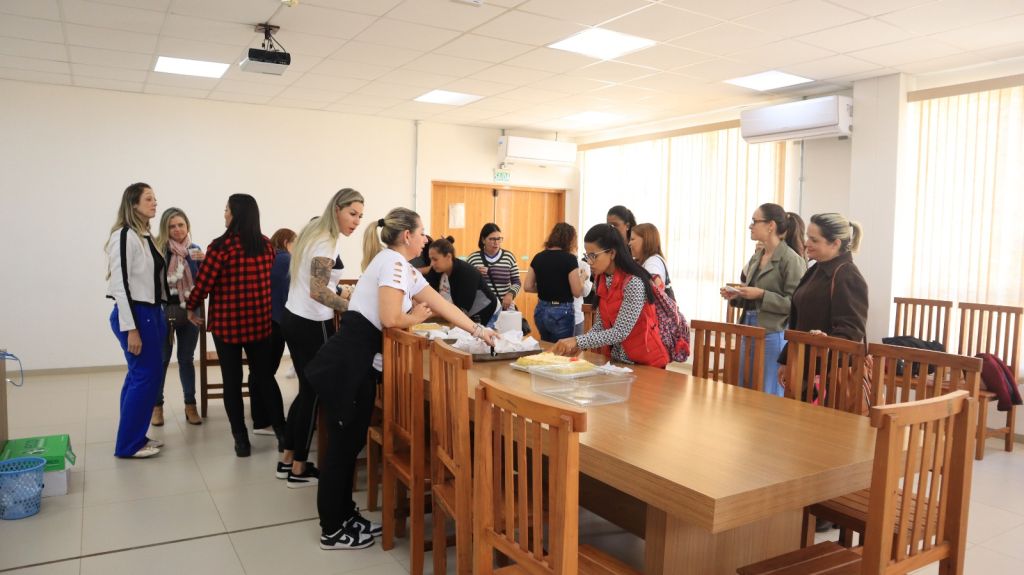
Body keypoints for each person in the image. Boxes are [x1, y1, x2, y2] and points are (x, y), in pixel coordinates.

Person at [305, 207, 497, 550]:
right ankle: (332, 529)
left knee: (349, 445)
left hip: (357, 365)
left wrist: (479, 330)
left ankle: (346, 516)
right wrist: (415, 317)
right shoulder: (393, 263)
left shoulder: (400, 266)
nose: (426, 239)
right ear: (407, 235)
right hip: (348, 366)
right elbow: (391, 317)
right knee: (342, 448)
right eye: (422, 233)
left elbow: (440, 304)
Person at [277, 189, 364, 488]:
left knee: (306, 390)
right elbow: (318, 291)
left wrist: (339, 294)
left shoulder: (313, 231)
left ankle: (288, 458)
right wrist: (352, 307)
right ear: (337, 209)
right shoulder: (326, 239)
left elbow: (314, 284)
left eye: (360, 216)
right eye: (352, 213)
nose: (356, 221)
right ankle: (299, 468)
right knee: (313, 393)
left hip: (294, 317)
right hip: (312, 323)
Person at [186, 194, 284, 458]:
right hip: (260, 323)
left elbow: (203, 285)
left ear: (236, 214)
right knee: (265, 378)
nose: (225, 214)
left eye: (227, 210)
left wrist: (190, 306)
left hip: (228, 325)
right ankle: (283, 435)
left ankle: (241, 441)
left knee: (232, 382)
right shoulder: (266, 245)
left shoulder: (220, 247)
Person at [105, 182, 168, 458]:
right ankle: (128, 445)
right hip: (137, 315)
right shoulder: (124, 235)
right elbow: (120, 285)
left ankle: (134, 436)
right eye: (148, 199)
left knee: (139, 376)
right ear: (133, 204)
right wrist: (131, 329)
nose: (155, 203)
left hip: (151, 313)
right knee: (145, 377)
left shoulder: (144, 236)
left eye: (155, 198)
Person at [551, 223, 670, 368]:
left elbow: (620, 332)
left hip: (645, 362)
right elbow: (600, 325)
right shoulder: (602, 279)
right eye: (587, 256)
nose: (589, 262)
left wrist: (577, 341)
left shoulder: (634, 282)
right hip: (620, 360)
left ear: (612, 253)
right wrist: (580, 344)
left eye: (593, 256)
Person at [719, 204, 807, 396]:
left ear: (771, 226)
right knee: (744, 389)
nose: (750, 226)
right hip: (748, 328)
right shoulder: (757, 257)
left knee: (767, 392)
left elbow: (795, 304)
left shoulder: (791, 259)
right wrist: (737, 295)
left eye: (755, 221)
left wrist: (761, 295)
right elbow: (752, 294)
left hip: (773, 332)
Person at [153, 207, 204, 426]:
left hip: (191, 311)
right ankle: (157, 407)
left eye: (181, 225)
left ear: (187, 226)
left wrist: (205, 262)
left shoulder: (195, 250)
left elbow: (204, 282)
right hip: (163, 311)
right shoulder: (158, 250)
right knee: (162, 360)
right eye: (172, 226)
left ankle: (190, 405)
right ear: (165, 228)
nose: (177, 229)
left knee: (186, 359)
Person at [251, 228, 295, 437]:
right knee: (265, 373)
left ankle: (259, 418)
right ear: (286, 242)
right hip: (275, 322)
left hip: (261, 320)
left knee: (258, 371)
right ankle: (263, 421)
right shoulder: (286, 259)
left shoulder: (270, 258)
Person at [523, 223, 583, 342]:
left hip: (541, 310)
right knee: (562, 349)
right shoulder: (570, 259)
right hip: (562, 311)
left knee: (547, 347)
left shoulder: (538, 257)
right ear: (570, 240)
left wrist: (546, 287)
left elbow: (528, 286)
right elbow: (577, 292)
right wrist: (583, 277)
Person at [424, 236, 498, 325]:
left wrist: (430, 314)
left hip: (485, 311)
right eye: (430, 259)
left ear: (448, 257)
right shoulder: (436, 269)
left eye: (435, 259)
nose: (432, 263)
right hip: (460, 313)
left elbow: (461, 311)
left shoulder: (466, 273)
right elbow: (425, 290)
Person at [465, 223, 521, 313]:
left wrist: (510, 294)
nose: (496, 242)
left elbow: (517, 282)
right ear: (483, 240)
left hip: (504, 307)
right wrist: (474, 275)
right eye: (492, 239)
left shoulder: (508, 257)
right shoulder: (473, 258)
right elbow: (465, 282)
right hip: (481, 309)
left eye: (499, 239)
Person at [628, 223, 676, 300]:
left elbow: (656, 292)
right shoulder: (650, 260)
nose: (629, 243)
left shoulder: (652, 262)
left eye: (632, 239)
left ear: (646, 240)